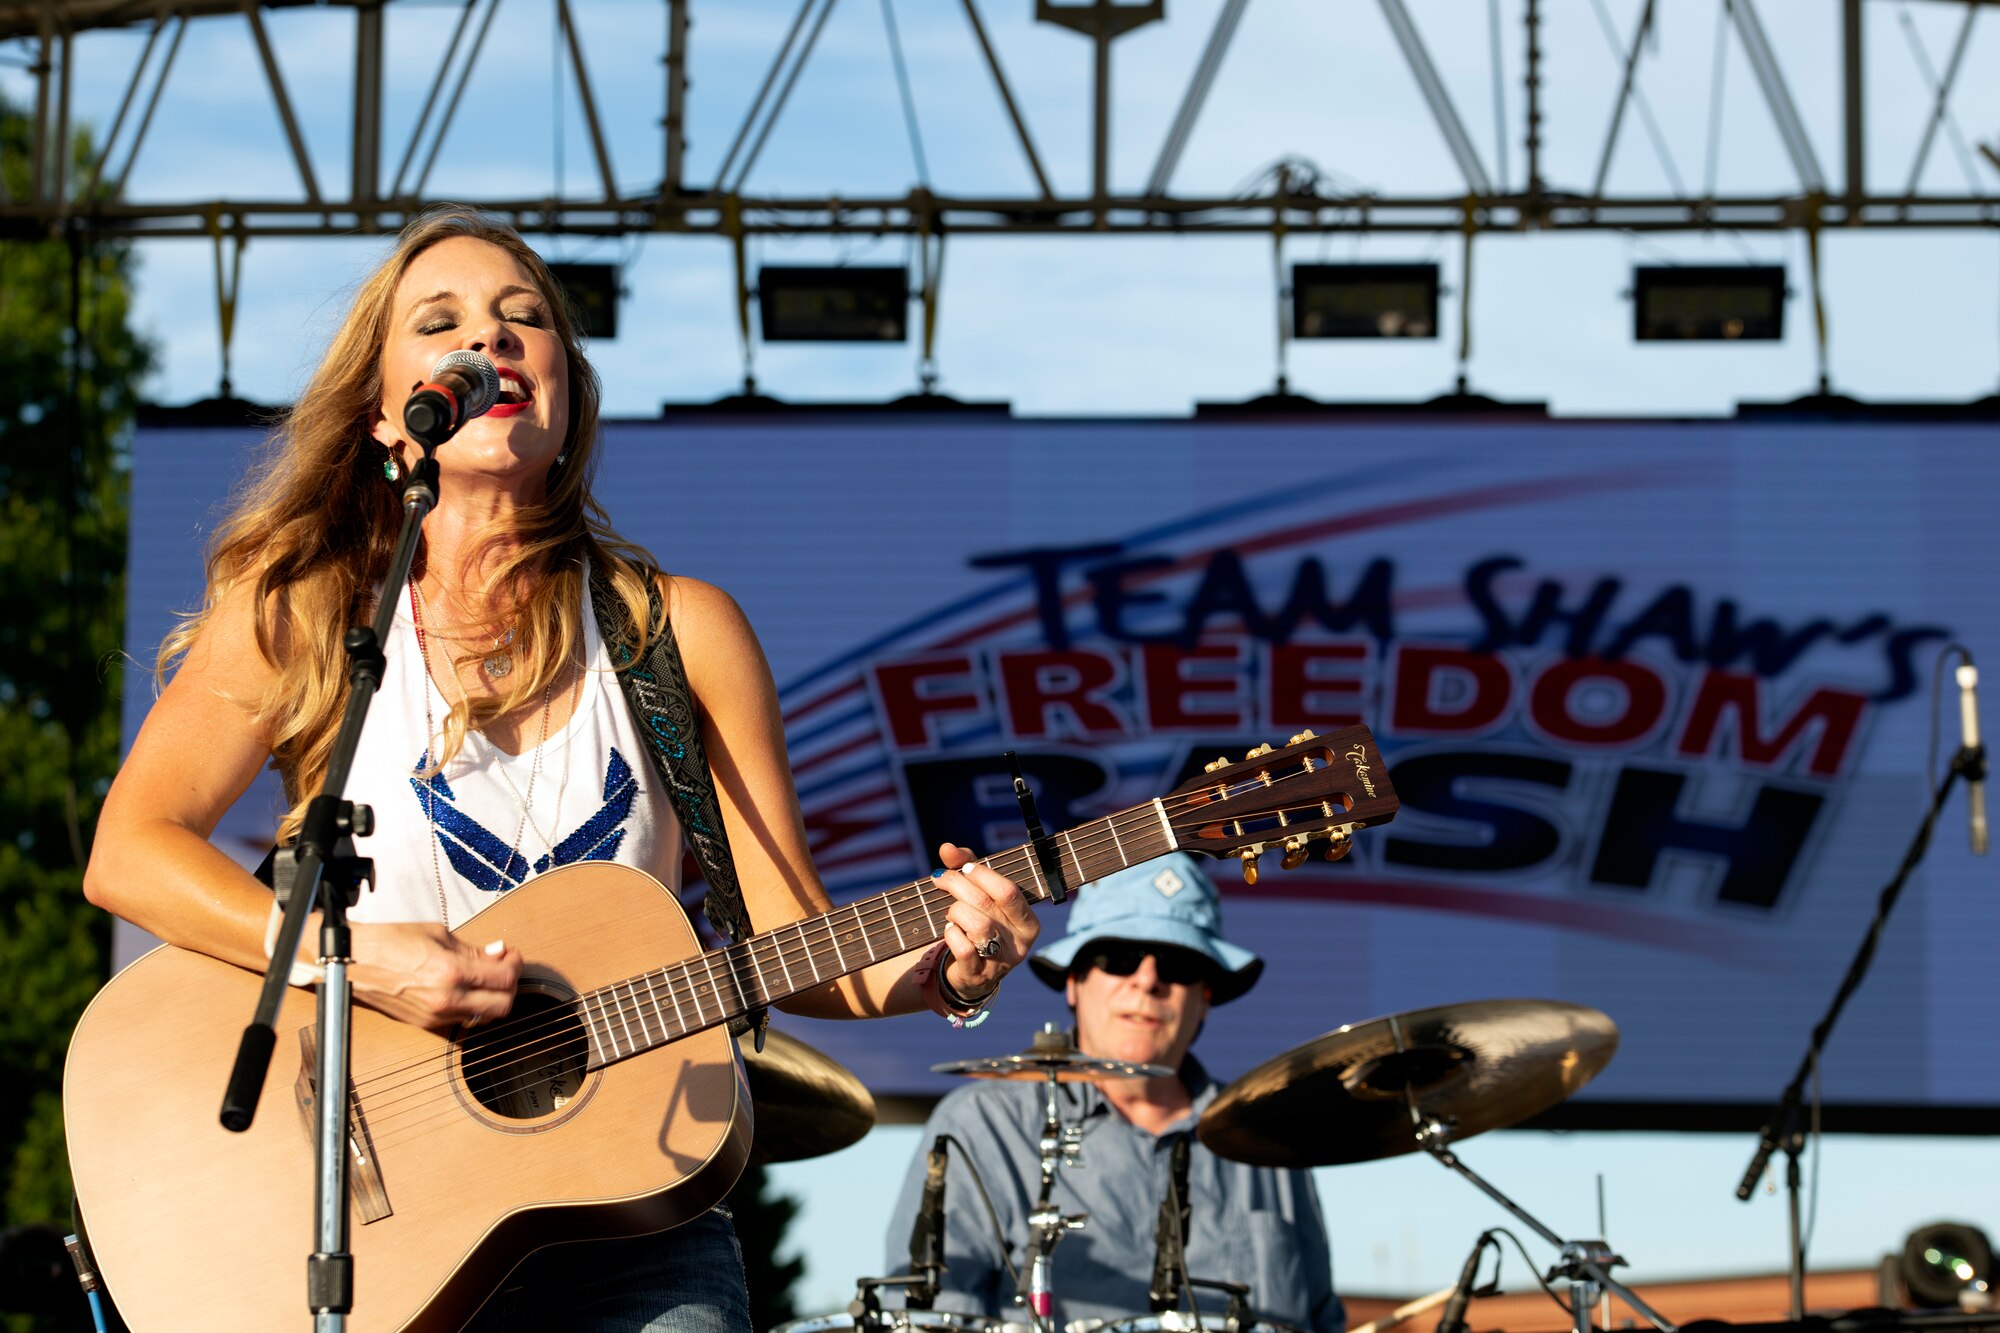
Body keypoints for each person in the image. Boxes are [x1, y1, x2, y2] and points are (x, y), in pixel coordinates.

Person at [81, 207, 1041, 1333]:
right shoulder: (311, 608)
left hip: (635, 1217)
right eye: (442, 325)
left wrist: (948, 970)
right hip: (366, 1217)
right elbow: (129, 852)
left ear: (567, 392)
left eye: (522, 321)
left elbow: (801, 951)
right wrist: (350, 962)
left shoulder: (675, 631)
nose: (490, 344)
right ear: (388, 414)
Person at [884, 852, 1342, 1333]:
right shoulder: (980, 1127)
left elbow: (1321, 1320)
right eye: (1119, 958)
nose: (1147, 980)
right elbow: (924, 1320)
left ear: (1205, 995)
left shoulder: (1267, 1135)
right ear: (1074, 982)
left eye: (1177, 963)